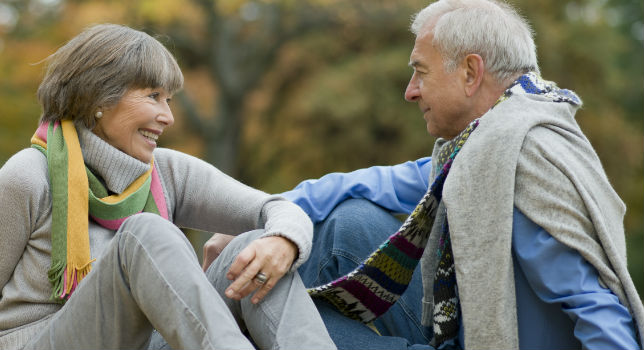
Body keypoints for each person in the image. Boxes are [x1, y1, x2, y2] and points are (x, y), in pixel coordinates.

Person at [204, 0, 644, 349]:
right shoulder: (481, 150)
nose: (410, 91)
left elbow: (592, 303)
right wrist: (263, 220)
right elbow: (371, 183)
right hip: (459, 331)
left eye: (420, 71)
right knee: (347, 221)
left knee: (279, 307)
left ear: (471, 72)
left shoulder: (522, 160)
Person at [0, 24, 335, 350]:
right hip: (35, 341)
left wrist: (282, 240)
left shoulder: (168, 172)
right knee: (145, 232)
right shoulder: (25, 178)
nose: (167, 116)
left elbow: (280, 207)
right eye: (153, 96)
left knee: (247, 249)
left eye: (170, 100)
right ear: (98, 98)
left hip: (138, 339)